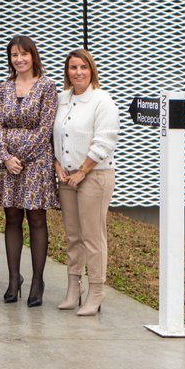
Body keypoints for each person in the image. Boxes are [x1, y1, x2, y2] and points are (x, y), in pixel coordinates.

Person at [0, 35, 58, 307]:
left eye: (24, 54)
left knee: (37, 219)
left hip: (36, 164)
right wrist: (6, 157)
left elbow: (45, 128)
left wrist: (23, 157)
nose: (19, 59)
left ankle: (38, 279)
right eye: (14, 55)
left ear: (33, 56)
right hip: (7, 165)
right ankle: (14, 279)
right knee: (12, 218)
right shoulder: (3, 88)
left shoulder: (46, 87)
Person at [53, 49, 119, 316]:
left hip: (94, 175)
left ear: (91, 70)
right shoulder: (62, 99)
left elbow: (105, 140)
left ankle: (96, 291)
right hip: (66, 176)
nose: (77, 72)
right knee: (73, 236)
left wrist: (83, 170)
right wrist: (57, 164)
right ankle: (73, 287)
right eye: (72, 67)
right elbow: (53, 135)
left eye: (83, 67)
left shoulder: (102, 100)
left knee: (93, 237)